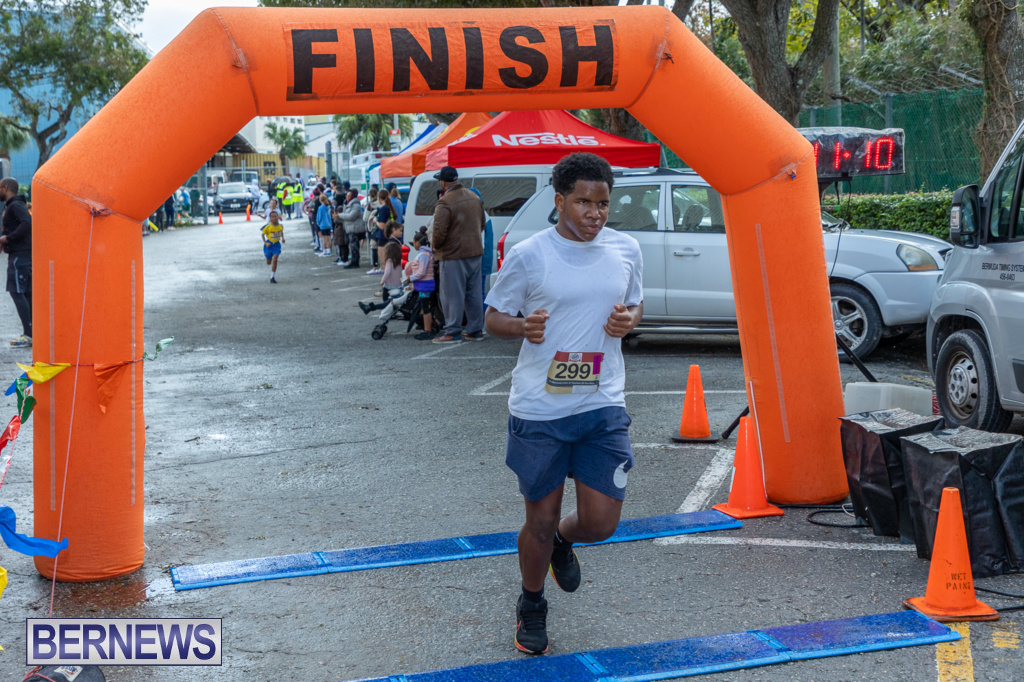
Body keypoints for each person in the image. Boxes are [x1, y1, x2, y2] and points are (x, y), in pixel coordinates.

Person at [482, 153, 644, 655]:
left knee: (601, 522)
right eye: (583, 202)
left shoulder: (626, 248)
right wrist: (522, 326)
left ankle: (562, 542)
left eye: (603, 204)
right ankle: (531, 603)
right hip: (541, 410)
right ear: (559, 201)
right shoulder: (531, 254)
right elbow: (492, 318)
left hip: (602, 403)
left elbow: (635, 303)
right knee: (541, 518)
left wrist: (630, 320)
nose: (595, 214)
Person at [430, 166, 485, 344]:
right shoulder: (474, 197)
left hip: (453, 254)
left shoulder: (445, 202)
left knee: (452, 295)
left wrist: (435, 247)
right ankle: (476, 330)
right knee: (474, 293)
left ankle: (452, 331)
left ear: (443, 182)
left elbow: (439, 232)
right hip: (474, 251)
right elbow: (482, 224)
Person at [0, 178, 32, 347]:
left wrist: (8, 238)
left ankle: (28, 334)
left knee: (17, 292)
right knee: (25, 293)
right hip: (22, 255)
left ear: (5, 188)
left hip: (19, 256)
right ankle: (31, 333)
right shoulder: (14, 206)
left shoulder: (15, 206)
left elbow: (27, 223)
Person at [358, 234, 403, 315]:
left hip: (389, 285)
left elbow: (387, 272)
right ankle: (389, 310)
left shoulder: (389, 261)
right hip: (398, 285)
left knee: (386, 301)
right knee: (390, 302)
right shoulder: (399, 262)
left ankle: (370, 308)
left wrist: (382, 281)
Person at [468, 187, 494, 309]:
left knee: (477, 293)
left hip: (479, 259)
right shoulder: (483, 213)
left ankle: (481, 318)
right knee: (479, 291)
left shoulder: (478, 215)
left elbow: (480, 242)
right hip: (484, 258)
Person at [408, 231, 436, 340]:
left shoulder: (424, 254)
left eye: (414, 242)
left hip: (425, 285)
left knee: (425, 308)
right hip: (424, 284)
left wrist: (410, 278)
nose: (413, 244)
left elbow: (421, 272)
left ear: (418, 243)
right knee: (425, 308)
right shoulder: (425, 253)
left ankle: (427, 331)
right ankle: (427, 328)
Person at [371, 189, 398, 275]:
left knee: (383, 257)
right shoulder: (390, 208)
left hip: (382, 235)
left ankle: (384, 269)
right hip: (389, 234)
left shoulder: (383, 209)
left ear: (379, 198)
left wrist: (375, 220)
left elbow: (382, 226)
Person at [340, 190, 365, 269]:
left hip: (354, 228)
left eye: (349, 196)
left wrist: (340, 215)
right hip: (350, 227)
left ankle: (355, 262)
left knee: (354, 246)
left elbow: (351, 216)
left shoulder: (355, 205)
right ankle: (354, 260)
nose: (347, 197)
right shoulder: (347, 204)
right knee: (353, 245)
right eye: (347, 195)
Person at [261, 210, 285, 283]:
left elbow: (281, 232)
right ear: (270, 219)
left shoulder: (280, 226)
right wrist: (265, 243)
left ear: (278, 217)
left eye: (275, 216)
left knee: (275, 258)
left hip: (276, 245)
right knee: (269, 262)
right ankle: (268, 257)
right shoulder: (268, 227)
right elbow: (262, 235)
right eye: (272, 217)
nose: (274, 218)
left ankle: (272, 276)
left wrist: (283, 238)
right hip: (269, 245)